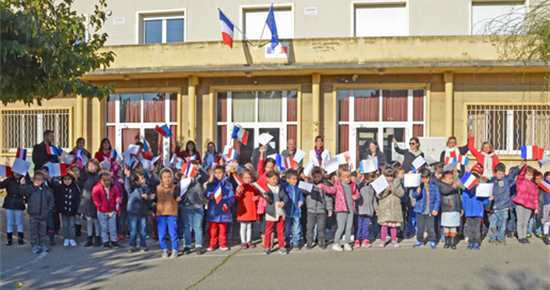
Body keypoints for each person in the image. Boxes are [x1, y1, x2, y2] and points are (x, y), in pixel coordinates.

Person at [317, 168, 360, 252]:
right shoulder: (338, 185)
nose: (349, 178)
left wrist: (356, 196)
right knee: (341, 227)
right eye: (347, 177)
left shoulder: (353, 185)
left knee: (349, 227)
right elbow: (331, 190)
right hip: (341, 209)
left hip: (351, 208)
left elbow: (357, 193)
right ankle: (336, 243)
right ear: (342, 178)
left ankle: (347, 243)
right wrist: (323, 186)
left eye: (350, 176)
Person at [20, 171, 55, 253]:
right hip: (33, 214)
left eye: (39, 179)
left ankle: (43, 244)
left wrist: (48, 209)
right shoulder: (31, 189)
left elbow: (51, 201)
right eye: (35, 179)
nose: (37, 181)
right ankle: (34, 245)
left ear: (43, 181)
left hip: (43, 214)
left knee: (43, 231)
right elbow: (24, 192)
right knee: (33, 231)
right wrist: (22, 185)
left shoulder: (47, 191)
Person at [179, 164, 209, 255]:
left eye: (195, 170)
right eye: (191, 170)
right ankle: (187, 246)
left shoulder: (199, 179)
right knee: (187, 227)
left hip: (198, 206)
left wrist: (199, 167)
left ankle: (198, 245)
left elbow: (207, 176)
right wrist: (183, 179)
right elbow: (179, 190)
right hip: (187, 206)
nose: (194, 172)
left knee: (198, 226)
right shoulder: (184, 180)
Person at [487, 163, 520, 245]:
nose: (500, 175)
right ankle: (492, 237)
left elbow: (513, 174)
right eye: (499, 174)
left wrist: (519, 166)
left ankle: (501, 237)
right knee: (493, 224)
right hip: (494, 208)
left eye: (502, 174)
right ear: (495, 173)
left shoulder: (506, 180)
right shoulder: (491, 181)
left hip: (504, 207)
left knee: (502, 224)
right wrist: (488, 201)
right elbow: (486, 192)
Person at [205, 165, 234, 252]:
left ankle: (222, 243)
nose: (217, 175)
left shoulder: (228, 185)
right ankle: (212, 243)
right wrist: (209, 195)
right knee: (212, 229)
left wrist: (227, 204)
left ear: (224, 174)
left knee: (223, 228)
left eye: (220, 173)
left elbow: (231, 196)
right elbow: (206, 192)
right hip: (213, 210)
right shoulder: (210, 184)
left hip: (223, 210)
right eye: (216, 173)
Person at [304, 167, 333, 249]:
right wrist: (306, 184)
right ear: (312, 176)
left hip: (321, 210)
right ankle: (309, 241)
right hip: (311, 209)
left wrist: (329, 209)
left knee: (321, 227)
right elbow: (303, 192)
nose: (317, 178)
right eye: (315, 177)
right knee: (310, 227)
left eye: (319, 177)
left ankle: (321, 241)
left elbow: (328, 199)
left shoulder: (324, 185)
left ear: (322, 176)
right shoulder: (309, 184)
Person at [262, 170, 290, 255]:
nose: (275, 181)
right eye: (273, 179)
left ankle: (282, 246)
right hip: (271, 212)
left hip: (280, 211)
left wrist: (284, 202)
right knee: (268, 230)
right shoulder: (265, 188)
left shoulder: (280, 187)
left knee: (281, 230)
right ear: (268, 179)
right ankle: (267, 246)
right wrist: (265, 196)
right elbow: (269, 199)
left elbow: (285, 196)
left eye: (276, 179)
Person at [49, 171, 81, 247]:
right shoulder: (61, 187)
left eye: (69, 179)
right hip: (64, 210)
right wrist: (50, 180)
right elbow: (55, 191)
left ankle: (72, 238)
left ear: (72, 179)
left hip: (72, 210)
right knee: (65, 225)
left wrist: (78, 212)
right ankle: (66, 238)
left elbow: (78, 200)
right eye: (65, 179)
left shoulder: (75, 188)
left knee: (72, 225)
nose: (67, 181)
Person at [463, 164, 490, 250]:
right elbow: (464, 202)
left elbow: (485, 201)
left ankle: (477, 242)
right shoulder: (466, 191)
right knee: (470, 229)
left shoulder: (481, 190)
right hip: (469, 213)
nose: (475, 184)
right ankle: (471, 242)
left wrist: (489, 199)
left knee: (477, 229)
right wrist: (464, 210)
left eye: (476, 182)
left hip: (478, 213)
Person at [376, 168, 405, 248]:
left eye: (391, 176)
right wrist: (387, 190)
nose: (389, 178)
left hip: (395, 207)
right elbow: (378, 195)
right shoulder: (380, 183)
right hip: (385, 207)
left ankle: (393, 240)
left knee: (394, 225)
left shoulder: (397, 182)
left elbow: (402, 193)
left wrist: (393, 189)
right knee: (384, 224)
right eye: (387, 176)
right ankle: (383, 240)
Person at [412, 169, 440, 249]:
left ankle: (432, 239)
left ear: (429, 177)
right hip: (420, 210)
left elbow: (437, 199)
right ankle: (420, 240)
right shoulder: (418, 186)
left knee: (431, 226)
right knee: (420, 226)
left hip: (430, 210)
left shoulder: (434, 186)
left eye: (426, 178)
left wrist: (435, 209)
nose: (424, 180)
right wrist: (418, 192)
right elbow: (414, 195)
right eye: (422, 178)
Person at [93, 170, 121, 248]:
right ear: (100, 180)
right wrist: (100, 205)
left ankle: (113, 240)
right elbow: (95, 197)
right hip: (102, 211)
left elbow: (117, 195)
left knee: (113, 227)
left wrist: (118, 201)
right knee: (104, 227)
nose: (106, 182)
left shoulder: (113, 187)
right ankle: (105, 241)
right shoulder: (97, 188)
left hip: (112, 210)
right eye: (104, 181)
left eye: (108, 180)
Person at [513, 162, 539, 245]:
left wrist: (536, 207)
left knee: (526, 222)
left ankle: (524, 236)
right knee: (520, 222)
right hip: (520, 204)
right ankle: (520, 237)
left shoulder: (534, 185)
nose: (530, 176)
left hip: (529, 206)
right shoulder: (521, 181)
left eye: (531, 175)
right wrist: (524, 166)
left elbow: (535, 197)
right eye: (528, 175)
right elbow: (521, 175)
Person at [125, 171, 151, 253]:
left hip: (143, 212)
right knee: (133, 230)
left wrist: (148, 198)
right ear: (136, 181)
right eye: (141, 178)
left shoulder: (146, 188)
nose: (143, 180)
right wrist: (128, 176)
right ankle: (132, 245)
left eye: (144, 178)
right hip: (134, 212)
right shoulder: (133, 188)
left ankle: (143, 245)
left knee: (143, 230)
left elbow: (149, 200)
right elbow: (128, 185)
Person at [156, 167, 179, 258]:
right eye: (164, 177)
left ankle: (174, 249)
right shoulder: (158, 188)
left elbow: (177, 197)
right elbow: (154, 200)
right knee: (161, 233)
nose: (167, 179)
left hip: (171, 213)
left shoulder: (174, 187)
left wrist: (178, 199)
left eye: (169, 177)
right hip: (161, 214)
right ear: (161, 178)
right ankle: (165, 249)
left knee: (173, 232)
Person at [436, 170, 462, 250]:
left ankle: (453, 242)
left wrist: (461, 208)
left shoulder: (454, 186)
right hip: (446, 209)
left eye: (452, 178)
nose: (451, 180)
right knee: (446, 227)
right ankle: (447, 241)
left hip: (455, 209)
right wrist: (454, 185)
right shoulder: (441, 185)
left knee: (454, 227)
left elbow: (458, 198)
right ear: (444, 178)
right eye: (449, 178)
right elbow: (445, 190)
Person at [1, 172, 30, 246]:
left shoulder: (24, 180)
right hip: (9, 203)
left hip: (19, 203)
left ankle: (21, 238)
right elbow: (1, 185)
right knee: (10, 221)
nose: (17, 174)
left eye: (19, 172)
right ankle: (9, 238)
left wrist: (25, 200)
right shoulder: (9, 180)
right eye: (15, 172)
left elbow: (28, 191)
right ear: (12, 172)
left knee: (19, 221)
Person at [79, 159, 102, 247]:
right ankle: (89, 239)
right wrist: (81, 168)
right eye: (89, 166)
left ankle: (97, 238)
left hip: (96, 202)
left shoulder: (99, 176)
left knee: (96, 221)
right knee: (89, 221)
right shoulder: (86, 176)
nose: (91, 168)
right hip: (87, 202)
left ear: (97, 167)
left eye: (93, 166)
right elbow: (82, 175)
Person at [235, 169, 260, 249]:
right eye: (245, 178)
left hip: (251, 209)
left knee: (249, 226)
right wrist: (239, 192)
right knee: (243, 226)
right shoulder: (240, 186)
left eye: (249, 177)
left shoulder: (253, 187)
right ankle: (243, 241)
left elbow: (258, 195)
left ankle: (249, 240)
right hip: (243, 209)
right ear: (242, 178)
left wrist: (257, 197)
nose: (247, 179)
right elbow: (238, 197)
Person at [281, 170, 305, 251]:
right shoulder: (285, 187)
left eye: (296, 179)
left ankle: (296, 242)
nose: (295, 181)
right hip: (287, 212)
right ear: (288, 179)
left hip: (296, 212)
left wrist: (301, 201)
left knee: (296, 229)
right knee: (287, 229)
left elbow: (301, 197)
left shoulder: (298, 189)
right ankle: (287, 242)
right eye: (293, 179)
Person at [354, 172, 378, 249]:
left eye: (367, 178)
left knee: (366, 226)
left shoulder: (371, 187)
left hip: (368, 210)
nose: (366, 180)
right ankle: (357, 239)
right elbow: (355, 185)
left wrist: (376, 208)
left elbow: (374, 199)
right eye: (364, 178)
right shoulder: (358, 185)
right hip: (360, 209)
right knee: (358, 226)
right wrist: (358, 178)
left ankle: (365, 239)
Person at [540, 172, 550, 245]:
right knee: (547, 222)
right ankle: (545, 235)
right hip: (546, 205)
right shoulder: (543, 186)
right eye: (548, 179)